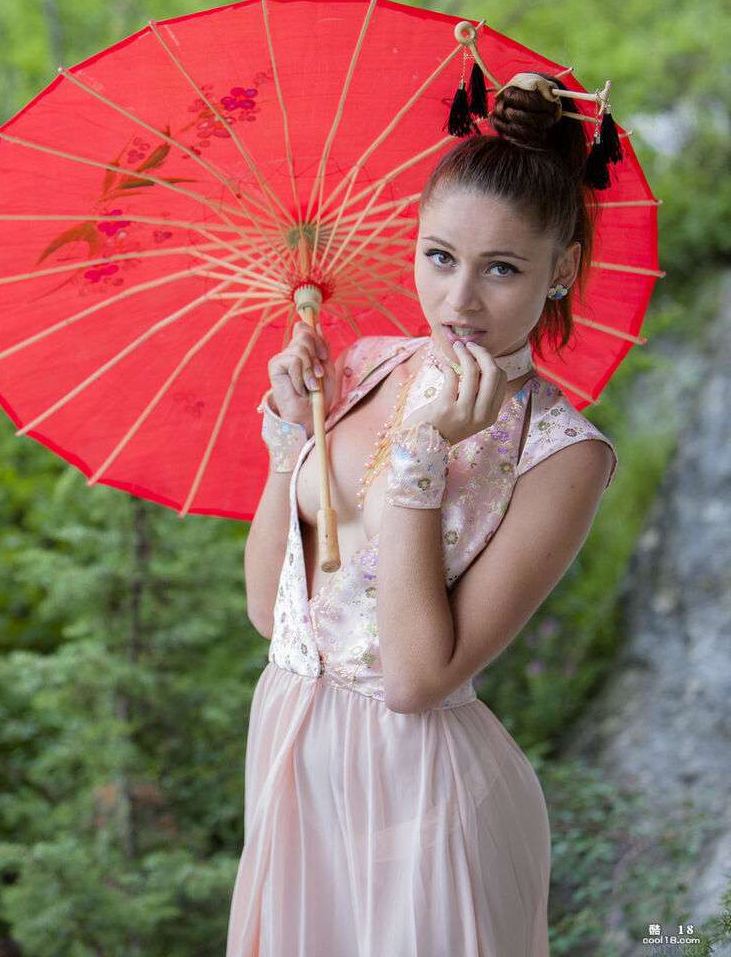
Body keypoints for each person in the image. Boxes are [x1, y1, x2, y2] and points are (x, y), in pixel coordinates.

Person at [225, 72, 619, 957]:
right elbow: (271, 613)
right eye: (439, 257)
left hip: (423, 798)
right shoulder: (363, 365)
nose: (459, 302)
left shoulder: (562, 455)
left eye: (503, 269)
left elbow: (413, 679)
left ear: (559, 273)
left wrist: (420, 462)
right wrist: (294, 437)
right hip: (292, 757)